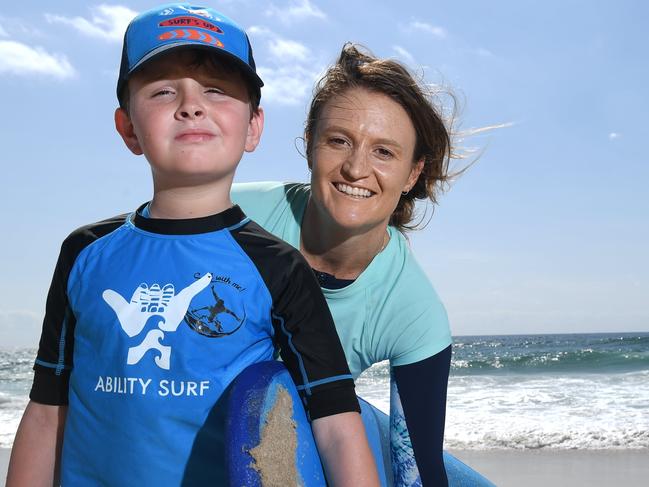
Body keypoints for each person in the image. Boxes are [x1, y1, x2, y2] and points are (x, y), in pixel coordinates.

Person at [6, 5, 379, 486]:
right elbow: (46, 410)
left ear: (253, 127)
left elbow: (335, 423)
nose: (191, 105)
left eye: (217, 91)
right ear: (128, 128)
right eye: (163, 91)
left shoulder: (278, 266)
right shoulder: (85, 252)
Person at [232, 44, 455, 485]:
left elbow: (420, 470)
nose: (356, 168)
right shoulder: (233, 215)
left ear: (412, 174)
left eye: (384, 152)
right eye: (339, 141)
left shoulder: (412, 311)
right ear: (310, 144)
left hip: (310, 436)